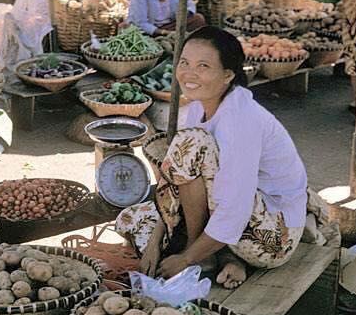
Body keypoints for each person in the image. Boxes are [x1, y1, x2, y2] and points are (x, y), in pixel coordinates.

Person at [116, 26, 308, 289]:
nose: (188, 73)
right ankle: (226, 257)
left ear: (228, 74)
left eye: (203, 66)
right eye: (184, 62)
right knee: (131, 219)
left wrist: (186, 258)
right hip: (237, 222)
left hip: (273, 236)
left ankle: (205, 256)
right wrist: (153, 243)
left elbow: (236, 205)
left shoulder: (242, 118)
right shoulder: (196, 108)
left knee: (190, 143)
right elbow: (178, 181)